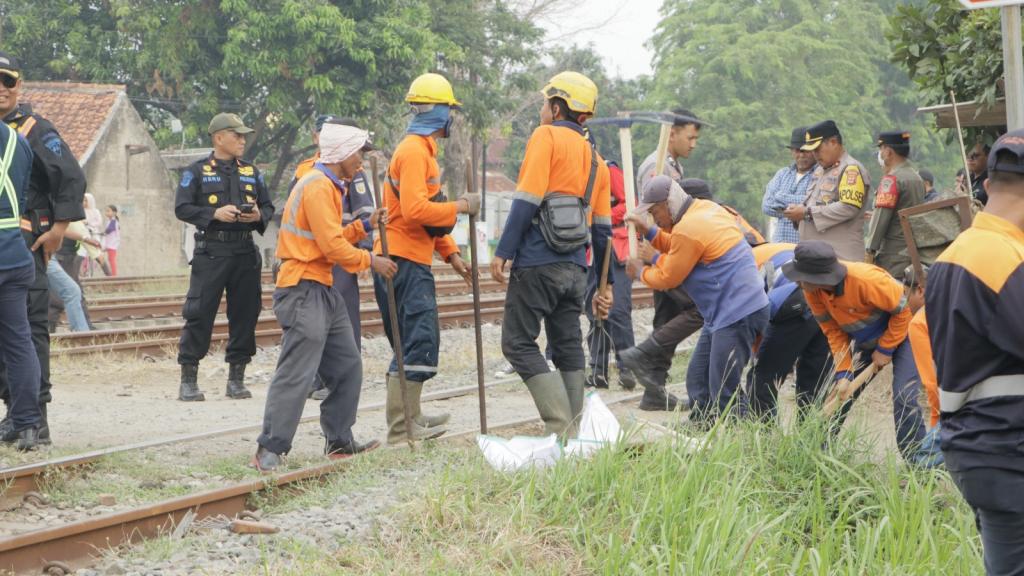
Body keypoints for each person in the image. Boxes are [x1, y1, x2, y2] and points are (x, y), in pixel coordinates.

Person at [253, 122, 393, 472]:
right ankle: (270, 448)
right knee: (297, 370)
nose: (361, 160)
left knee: (347, 365)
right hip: (302, 288)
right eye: (359, 152)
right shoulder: (317, 187)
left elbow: (329, 236)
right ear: (343, 153)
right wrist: (371, 260)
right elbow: (332, 247)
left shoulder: (330, 186)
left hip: (322, 288)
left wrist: (364, 226)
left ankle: (339, 440)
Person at [492, 71, 613, 439]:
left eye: (546, 102)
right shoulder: (598, 161)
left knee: (517, 342)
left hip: (537, 262)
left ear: (558, 107)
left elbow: (527, 199)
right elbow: (603, 230)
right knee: (567, 345)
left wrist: (504, 251)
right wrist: (601, 285)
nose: (543, 109)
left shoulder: (545, 137)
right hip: (576, 269)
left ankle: (560, 424)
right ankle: (573, 431)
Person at [926, 130, 1024, 574]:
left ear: (987, 186)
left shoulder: (958, 252)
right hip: (1007, 452)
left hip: (978, 447)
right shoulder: (1004, 262)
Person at [374, 73, 479, 444]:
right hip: (403, 260)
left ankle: (412, 417)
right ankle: (401, 429)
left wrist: (451, 254)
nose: (452, 117)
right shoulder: (415, 152)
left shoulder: (422, 151)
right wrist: (462, 206)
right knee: (417, 339)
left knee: (413, 339)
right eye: (449, 109)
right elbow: (417, 210)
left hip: (408, 255)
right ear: (437, 111)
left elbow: (428, 216)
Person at [626, 176, 769, 427]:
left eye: (654, 211)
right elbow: (678, 245)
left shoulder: (688, 228)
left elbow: (669, 277)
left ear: (668, 203)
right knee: (698, 377)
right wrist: (649, 231)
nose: (654, 218)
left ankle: (743, 440)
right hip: (723, 313)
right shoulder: (705, 210)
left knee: (724, 387)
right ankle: (701, 425)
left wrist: (639, 272)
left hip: (737, 312)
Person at [0, 51, 87, 446]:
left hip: (23, 243)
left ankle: (37, 420)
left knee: (29, 333)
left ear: (19, 85)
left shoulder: (35, 128)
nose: (1, 89)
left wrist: (59, 229)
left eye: (7, 81)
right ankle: (16, 415)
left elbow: (70, 178)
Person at [782, 240, 930, 464]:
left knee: (904, 396)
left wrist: (885, 348)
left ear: (819, 276)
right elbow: (833, 332)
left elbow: (905, 312)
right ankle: (817, 456)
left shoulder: (867, 280)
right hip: (868, 341)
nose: (798, 282)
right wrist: (844, 372)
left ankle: (920, 465)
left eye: (802, 276)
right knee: (837, 394)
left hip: (906, 334)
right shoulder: (813, 292)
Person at [174, 112, 274, 402]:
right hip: (212, 252)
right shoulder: (197, 171)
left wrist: (257, 215)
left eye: (244, 135)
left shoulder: (252, 172)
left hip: (244, 250)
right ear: (219, 138)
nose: (243, 140)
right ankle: (188, 379)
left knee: (245, 314)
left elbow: (268, 208)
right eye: (237, 135)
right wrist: (213, 214)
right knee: (199, 313)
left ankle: (236, 379)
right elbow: (182, 208)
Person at [624, 108, 703, 412]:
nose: (693, 143)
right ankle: (644, 368)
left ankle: (654, 389)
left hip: (671, 251)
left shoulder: (673, 167)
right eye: (690, 136)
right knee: (685, 312)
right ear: (672, 133)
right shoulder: (656, 168)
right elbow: (654, 212)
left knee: (668, 319)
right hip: (664, 252)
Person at [294, 115, 376, 402]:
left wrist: (365, 249)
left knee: (343, 318)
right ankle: (316, 377)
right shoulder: (309, 172)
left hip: (343, 253)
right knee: (315, 325)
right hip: (319, 256)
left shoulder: (352, 169)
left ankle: (337, 377)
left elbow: (364, 211)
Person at [745, 242, 832, 423]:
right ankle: (809, 439)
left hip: (793, 301)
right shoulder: (779, 248)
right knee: (813, 381)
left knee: (763, 376)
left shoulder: (743, 261)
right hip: (827, 301)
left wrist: (757, 354)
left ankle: (761, 435)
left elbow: (757, 317)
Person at [0, 116, 41, 450]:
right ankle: (27, 425)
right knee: (18, 342)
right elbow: (23, 197)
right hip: (14, 255)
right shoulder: (19, 143)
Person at [783, 120, 871, 262]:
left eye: (817, 149)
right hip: (817, 256)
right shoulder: (820, 170)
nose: (815, 154)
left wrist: (806, 213)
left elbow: (848, 207)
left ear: (833, 142)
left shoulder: (850, 170)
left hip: (840, 257)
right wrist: (799, 211)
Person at [584, 156, 637, 390]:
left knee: (618, 310)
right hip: (591, 247)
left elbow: (630, 205)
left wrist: (600, 216)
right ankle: (598, 371)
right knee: (593, 309)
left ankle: (627, 368)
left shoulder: (608, 169)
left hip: (615, 245)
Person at [866, 130, 927, 279]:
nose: (880, 153)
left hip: (892, 256)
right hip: (912, 252)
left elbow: (881, 219)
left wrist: (870, 251)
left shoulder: (891, 179)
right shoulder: (916, 177)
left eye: (881, 149)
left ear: (888, 151)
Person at [904, 263, 942, 468]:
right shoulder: (959, 305)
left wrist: (940, 422)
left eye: (905, 294)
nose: (905, 302)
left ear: (920, 290)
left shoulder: (920, 322)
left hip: (962, 403)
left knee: (922, 468)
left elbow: (932, 383)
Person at [762, 126, 817, 244]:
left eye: (805, 151)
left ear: (814, 151)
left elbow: (816, 203)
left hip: (805, 247)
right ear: (792, 151)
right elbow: (767, 206)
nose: (801, 155)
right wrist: (798, 210)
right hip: (779, 245)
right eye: (797, 150)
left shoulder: (820, 175)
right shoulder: (782, 174)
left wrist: (781, 196)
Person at [966, 141, 991, 205]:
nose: (970, 159)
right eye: (967, 155)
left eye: (975, 155)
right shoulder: (967, 180)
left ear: (988, 156)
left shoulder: (992, 179)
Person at [101, 204, 120, 276]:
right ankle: (113, 275)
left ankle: (114, 276)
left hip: (112, 244)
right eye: (106, 211)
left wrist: (103, 233)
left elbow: (109, 229)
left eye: (108, 211)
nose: (107, 213)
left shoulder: (114, 221)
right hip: (110, 244)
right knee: (110, 259)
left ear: (114, 213)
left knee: (112, 260)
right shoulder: (110, 221)